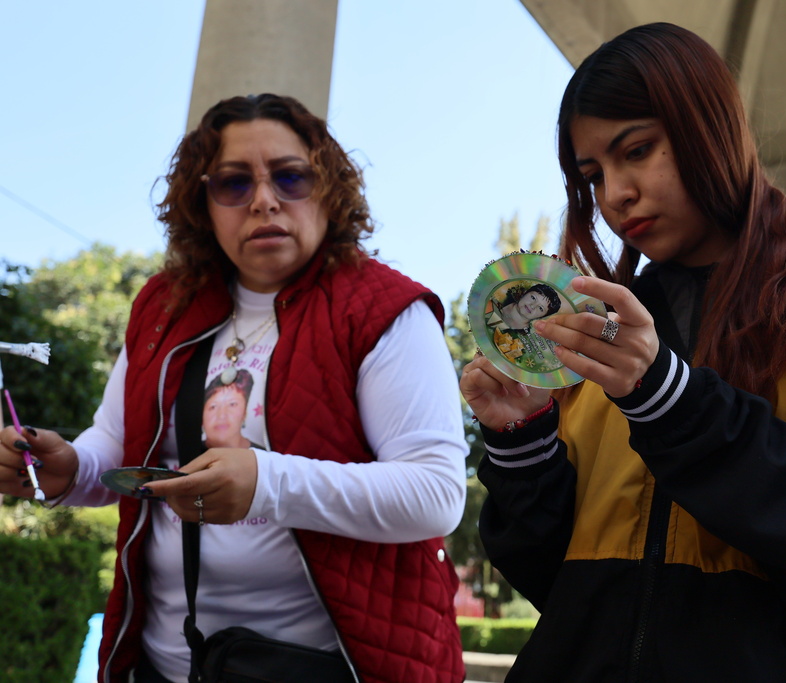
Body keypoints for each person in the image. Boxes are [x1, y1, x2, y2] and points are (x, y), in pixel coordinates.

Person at [459, 22, 786, 682]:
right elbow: (558, 580)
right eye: (593, 175)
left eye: (637, 150)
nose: (615, 193)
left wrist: (667, 399)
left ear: (711, 123)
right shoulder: (601, 327)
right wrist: (522, 439)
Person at [0, 94, 468, 683]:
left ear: (328, 190)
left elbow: (435, 494)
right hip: (163, 664)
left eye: (291, 177)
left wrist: (267, 481)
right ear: (204, 203)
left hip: (331, 668)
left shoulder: (384, 310)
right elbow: (118, 450)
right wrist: (68, 470)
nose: (264, 200)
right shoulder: (162, 306)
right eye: (233, 184)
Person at [201, 369, 262, 449]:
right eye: (213, 407)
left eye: (232, 404)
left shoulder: (264, 456)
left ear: (244, 413)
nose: (222, 415)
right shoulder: (189, 456)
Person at [485, 281, 562, 333]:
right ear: (525, 293)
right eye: (533, 298)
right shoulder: (494, 299)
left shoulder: (521, 339)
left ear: (542, 317)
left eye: (540, 308)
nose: (532, 306)